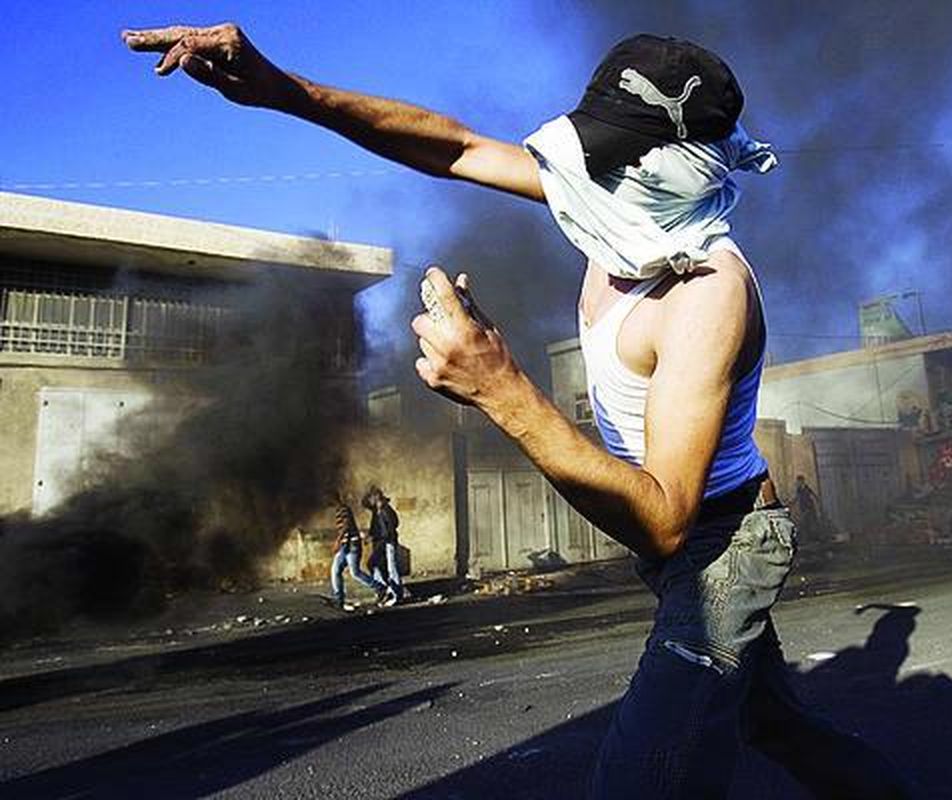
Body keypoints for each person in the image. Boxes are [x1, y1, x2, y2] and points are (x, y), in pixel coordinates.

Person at [125, 24, 909, 798]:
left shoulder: (707, 293)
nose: (585, 175)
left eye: (612, 160)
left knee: (641, 781)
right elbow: (457, 147)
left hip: (721, 544)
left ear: (674, 173)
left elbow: (665, 517)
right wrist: (280, 88)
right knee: (775, 726)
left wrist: (497, 384)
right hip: (679, 541)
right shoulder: (617, 216)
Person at [329, 493, 393, 612]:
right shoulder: (339, 510)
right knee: (335, 570)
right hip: (346, 546)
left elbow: (346, 525)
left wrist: (337, 541)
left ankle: (380, 587)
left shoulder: (343, 509)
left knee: (355, 572)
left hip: (352, 545)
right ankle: (339, 599)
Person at [363, 485, 406, 605]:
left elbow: (394, 525)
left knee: (391, 567)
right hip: (382, 542)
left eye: (371, 498)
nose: (370, 501)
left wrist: (383, 537)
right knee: (377, 565)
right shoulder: (377, 511)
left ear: (376, 497)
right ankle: (385, 589)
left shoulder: (385, 510)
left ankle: (396, 593)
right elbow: (365, 503)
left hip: (388, 542)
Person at [791, 473, 821, 543]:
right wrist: (791, 503)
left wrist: (817, 503)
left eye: (799, 481)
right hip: (803, 508)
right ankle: (809, 539)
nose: (798, 483)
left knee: (811, 523)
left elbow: (814, 496)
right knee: (805, 524)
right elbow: (796, 497)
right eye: (797, 482)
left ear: (802, 481)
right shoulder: (798, 490)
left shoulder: (806, 488)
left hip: (809, 508)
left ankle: (815, 538)